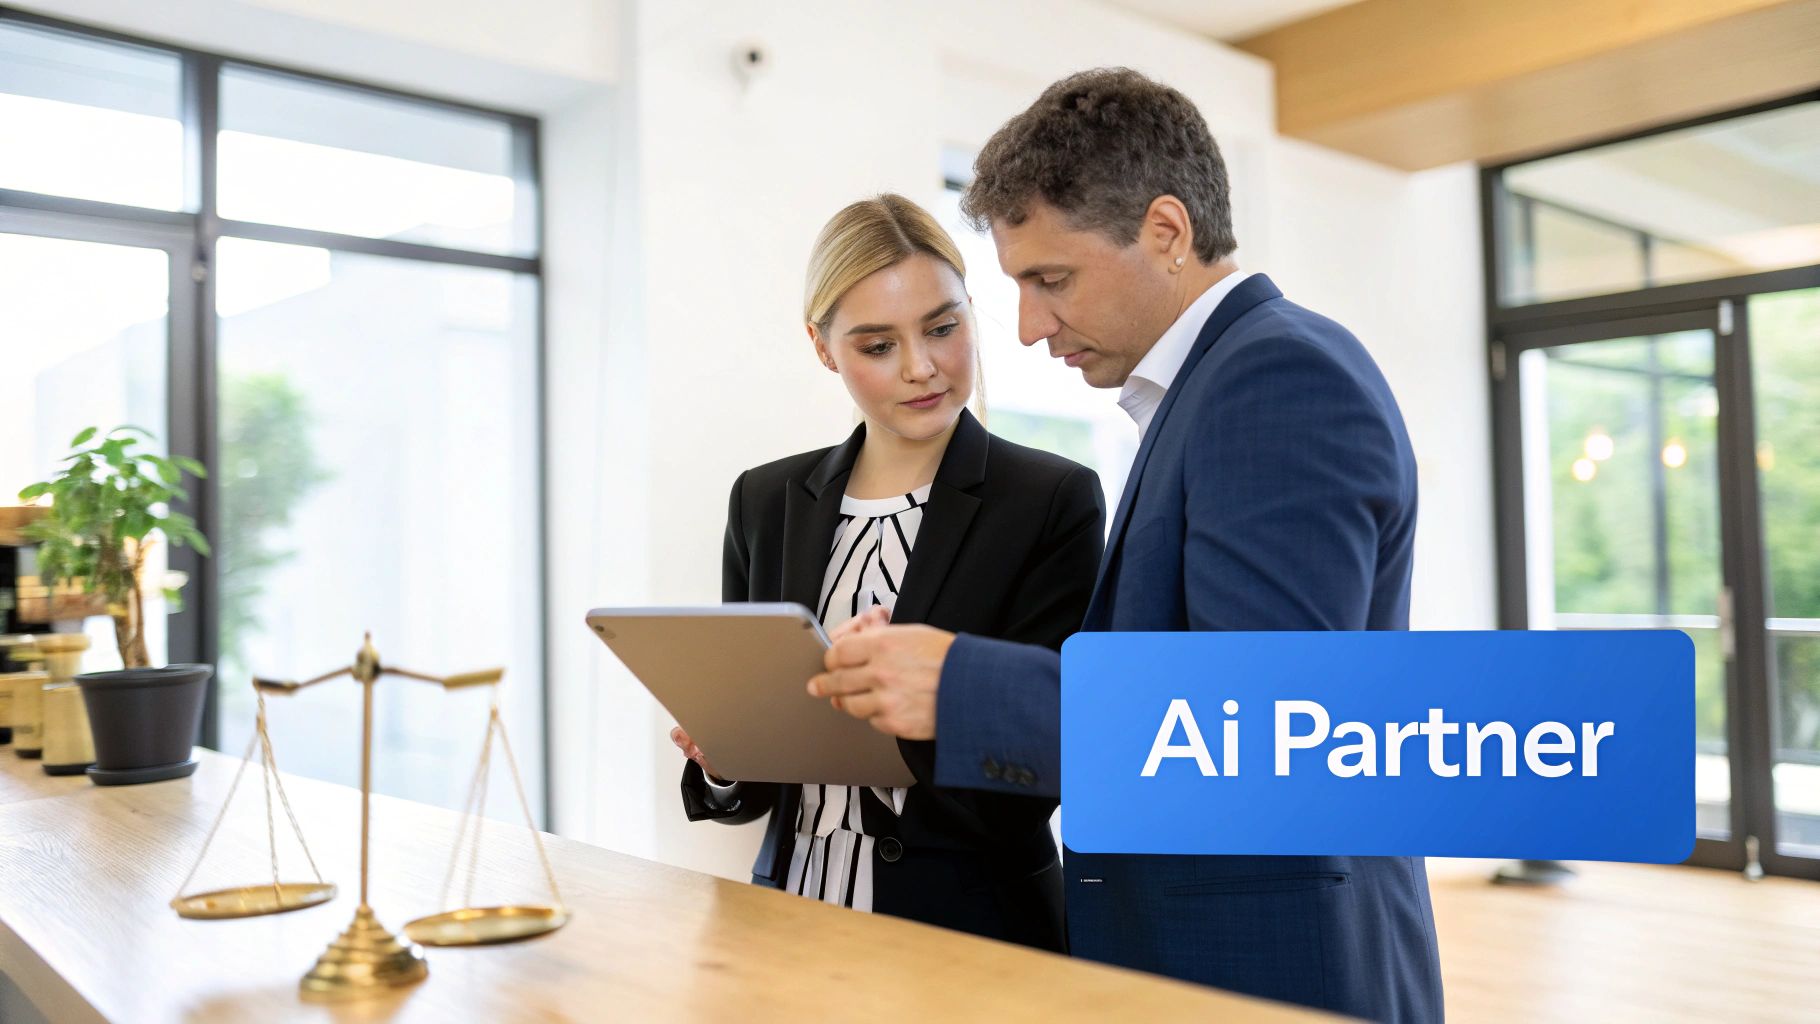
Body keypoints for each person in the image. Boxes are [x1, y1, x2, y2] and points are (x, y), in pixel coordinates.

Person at [809, 71, 1445, 1020]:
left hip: (1268, 968)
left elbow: (1261, 723)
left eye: (1050, 281)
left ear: (1167, 231)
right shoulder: (1211, 388)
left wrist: (959, 687)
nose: (1027, 327)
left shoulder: (1275, 379)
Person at [670, 194, 1104, 951]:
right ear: (823, 346)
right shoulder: (765, 500)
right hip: (787, 923)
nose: (921, 367)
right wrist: (727, 759)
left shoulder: (1050, 499)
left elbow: (1043, 760)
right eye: (877, 346)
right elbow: (753, 792)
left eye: (943, 327)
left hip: (973, 936)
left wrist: (917, 712)